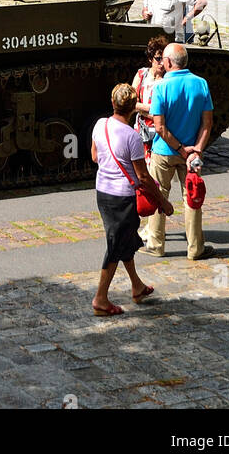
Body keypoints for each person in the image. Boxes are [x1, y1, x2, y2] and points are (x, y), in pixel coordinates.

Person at [91, 83, 174, 316]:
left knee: (124, 240)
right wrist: (163, 203)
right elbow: (143, 177)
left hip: (102, 193)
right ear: (133, 108)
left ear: (112, 102)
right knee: (116, 245)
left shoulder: (100, 125)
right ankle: (100, 299)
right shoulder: (132, 137)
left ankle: (136, 286)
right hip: (122, 197)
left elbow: (95, 156)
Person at [142, 42, 214, 260]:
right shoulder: (201, 84)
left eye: (163, 59)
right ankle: (195, 248)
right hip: (192, 155)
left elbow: (160, 126)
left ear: (169, 62)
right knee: (192, 198)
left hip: (164, 151)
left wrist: (180, 149)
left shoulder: (161, 87)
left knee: (158, 196)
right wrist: (197, 150)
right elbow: (207, 123)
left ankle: (155, 244)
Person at [132, 34, 168, 157]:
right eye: (158, 59)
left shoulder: (168, 79)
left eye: (164, 59)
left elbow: (168, 112)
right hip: (142, 129)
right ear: (150, 58)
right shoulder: (142, 74)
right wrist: (154, 112)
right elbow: (132, 103)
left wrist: (141, 109)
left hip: (161, 132)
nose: (162, 63)